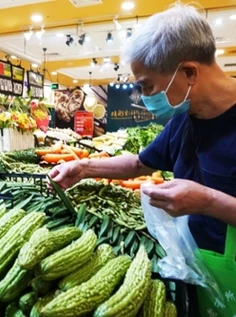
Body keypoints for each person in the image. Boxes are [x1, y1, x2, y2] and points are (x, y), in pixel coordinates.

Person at [49, 3, 236, 256]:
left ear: (189, 72)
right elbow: (139, 164)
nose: (146, 98)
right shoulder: (184, 118)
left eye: (147, 87)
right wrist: (83, 168)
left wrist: (208, 201)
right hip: (199, 265)